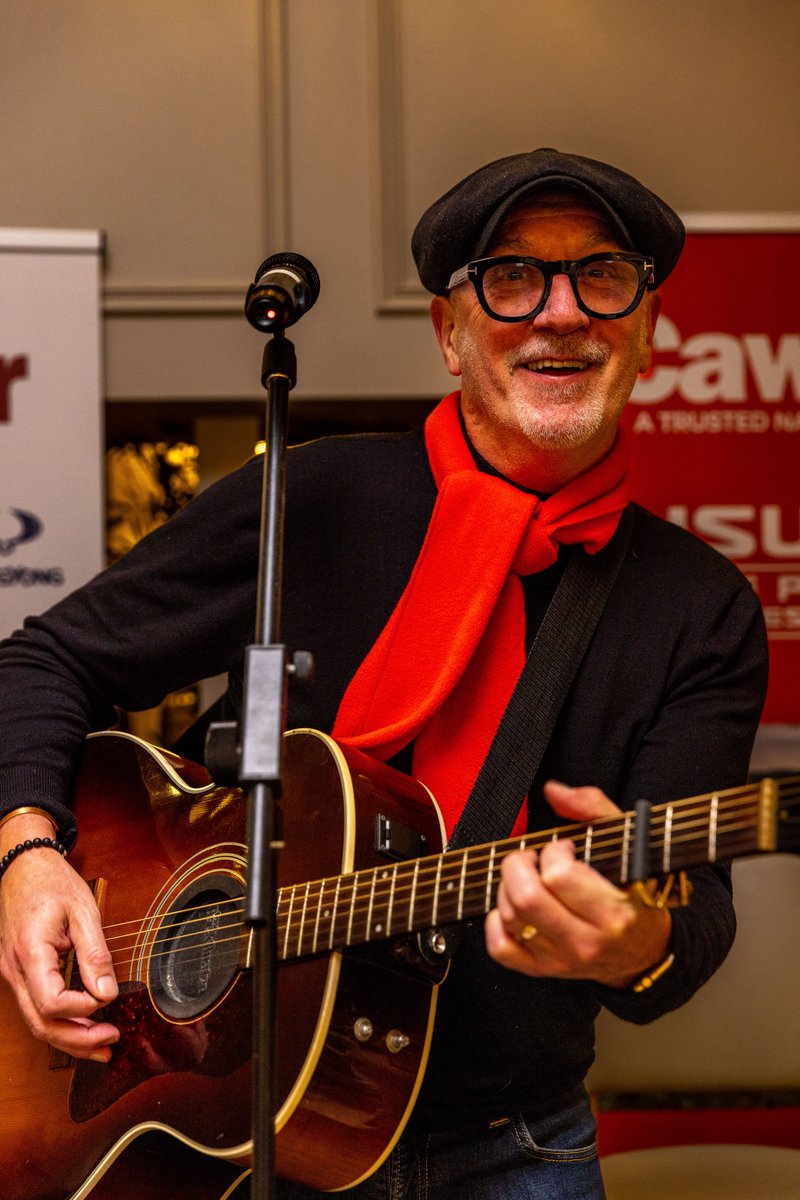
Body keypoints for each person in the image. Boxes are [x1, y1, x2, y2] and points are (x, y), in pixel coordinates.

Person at [0, 148, 768, 1199]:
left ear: (646, 328)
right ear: (449, 332)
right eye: (511, 277)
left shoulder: (698, 606)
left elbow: (694, 917)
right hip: (219, 1132)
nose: (560, 314)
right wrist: (28, 853)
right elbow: (44, 660)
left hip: (512, 1149)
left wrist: (633, 942)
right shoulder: (311, 499)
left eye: (601, 276)